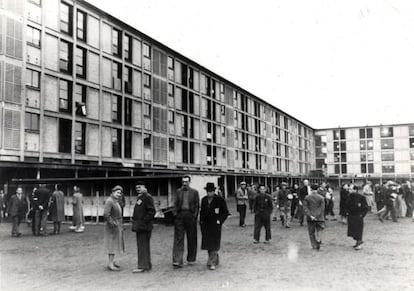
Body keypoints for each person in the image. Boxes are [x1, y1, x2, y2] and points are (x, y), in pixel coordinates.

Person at [200, 183, 229, 270]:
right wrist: (201, 221)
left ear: (214, 191)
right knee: (208, 244)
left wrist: (220, 220)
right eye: (208, 191)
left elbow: (225, 212)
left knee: (214, 243)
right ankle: (215, 259)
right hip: (206, 225)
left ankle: (211, 262)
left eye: (211, 191)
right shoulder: (204, 200)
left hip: (215, 224)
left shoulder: (219, 200)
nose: (209, 193)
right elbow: (202, 212)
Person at [172, 176, 200, 268]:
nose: (184, 184)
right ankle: (177, 260)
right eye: (183, 182)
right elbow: (175, 204)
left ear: (189, 182)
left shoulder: (194, 192)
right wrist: (175, 214)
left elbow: (197, 205)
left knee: (191, 238)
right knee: (178, 239)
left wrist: (194, 216)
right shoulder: (178, 192)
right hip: (180, 216)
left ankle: (191, 259)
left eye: (186, 182)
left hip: (190, 216)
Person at [132, 183, 155, 273]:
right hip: (140, 226)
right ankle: (147, 264)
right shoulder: (140, 197)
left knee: (142, 246)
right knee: (143, 245)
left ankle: (142, 266)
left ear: (145, 187)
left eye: (140, 187)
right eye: (136, 187)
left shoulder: (147, 197)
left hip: (144, 226)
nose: (138, 189)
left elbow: (152, 211)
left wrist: (144, 221)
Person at [104, 185, 125, 271]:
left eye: (120, 193)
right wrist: (112, 223)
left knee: (116, 243)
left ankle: (113, 261)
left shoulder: (116, 201)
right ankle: (110, 264)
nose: (119, 194)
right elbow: (106, 214)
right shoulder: (109, 201)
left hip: (118, 224)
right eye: (117, 192)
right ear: (113, 192)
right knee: (111, 244)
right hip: (112, 226)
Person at [303, 184, 325, 251]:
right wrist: (317, 215)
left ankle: (314, 245)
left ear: (311, 189)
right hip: (320, 217)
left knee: (311, 232)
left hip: (310, 218)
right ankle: (319, 238)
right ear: (317, 189)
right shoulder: (321, 197)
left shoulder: (307, 197)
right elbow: (322, 208)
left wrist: (311, 215)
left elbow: (305, 208)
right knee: (320, 229)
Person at [346, 185, 369, 250]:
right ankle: (357, 242)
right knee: (353, 230)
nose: (349, 190)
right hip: (351, 216)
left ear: (355, 190)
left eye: (350, 189)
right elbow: (346, 205)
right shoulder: (349, 196)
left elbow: (365, 208)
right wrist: (347, 212)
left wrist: (362, 215)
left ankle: (359, 243)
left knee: (358, 230)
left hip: (358, 216)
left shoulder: (361, 197)